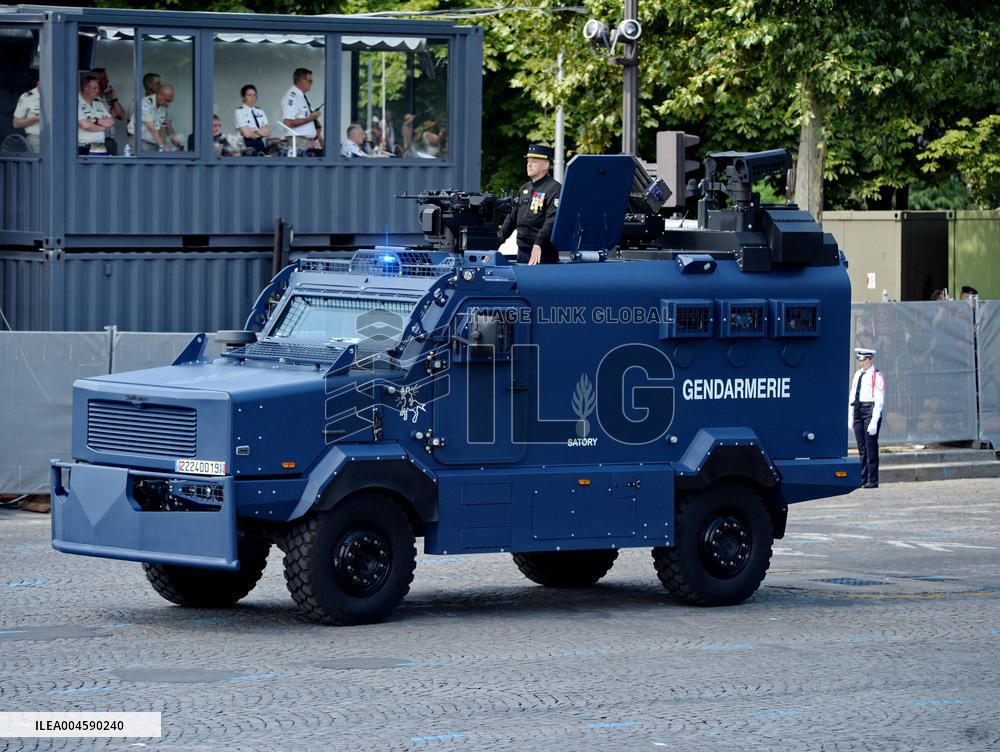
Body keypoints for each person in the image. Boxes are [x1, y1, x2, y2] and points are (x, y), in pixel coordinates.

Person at [499, 144, 562, 265]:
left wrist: (538, 243)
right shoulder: (524, 189)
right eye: (528, 161)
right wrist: (495, 245)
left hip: (543, 254)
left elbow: (552, 220)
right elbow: (511, 219)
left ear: (546, 164)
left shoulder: (554, 189)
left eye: (534, 161)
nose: (529, 164)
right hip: (523, 253)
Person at [848, 348, 887, 489]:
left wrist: (874, 420)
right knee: (861, 447)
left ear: (870, 359)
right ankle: (862, 478)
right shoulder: (858, 374)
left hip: (870, 410)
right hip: (858, 409)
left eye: (863, 360)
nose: (861, 363)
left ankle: (873, 479)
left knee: (871, 446)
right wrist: (850, 416)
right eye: (859, 360)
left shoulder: (877, 375)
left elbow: (879, 400)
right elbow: (852, 395)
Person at [129, 83, 183, 152]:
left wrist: (178, 145)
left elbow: (168, 127)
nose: (168, 104)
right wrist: (164, 147)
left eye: (170, 101)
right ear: (159, 95)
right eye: (167, 100)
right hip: (140, 142)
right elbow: (152, 130)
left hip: (155, 144)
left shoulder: (163, 108)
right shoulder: (145, 103)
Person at [281, 68, 323, 154]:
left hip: (306, 142)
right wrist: (310, 118)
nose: (312, 83)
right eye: (310, 81)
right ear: (301, 80)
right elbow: (288, 123)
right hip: (298, 142)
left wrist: (314, 122)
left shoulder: (300, 96)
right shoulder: (292, 96)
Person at [77, 75, 115, 154]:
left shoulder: (99, 104)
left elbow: (111, 122)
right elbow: (85, 125)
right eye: (95, 88)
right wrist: (103, 126)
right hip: (83, 147)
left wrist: (95, 120)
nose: (98, 90)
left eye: (98, 88)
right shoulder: (76, 103)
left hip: (100, 147)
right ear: (86, 89)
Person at [234, 84, 269, 155]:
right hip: (246, 144)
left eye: (254, 95)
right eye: (249, 95)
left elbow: (267, 132)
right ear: (243, 97)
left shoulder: (260, 111)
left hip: (259, 143)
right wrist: (260, 130)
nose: (252, 97)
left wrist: (254, 130)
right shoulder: (239, 111)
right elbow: (247, 134)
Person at [12, 76, 41, 152]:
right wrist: (36, 118)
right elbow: (16, 123)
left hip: (60, 139)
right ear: (38, 83)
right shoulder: (27, 97)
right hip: (36, 141)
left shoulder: (59, 94)